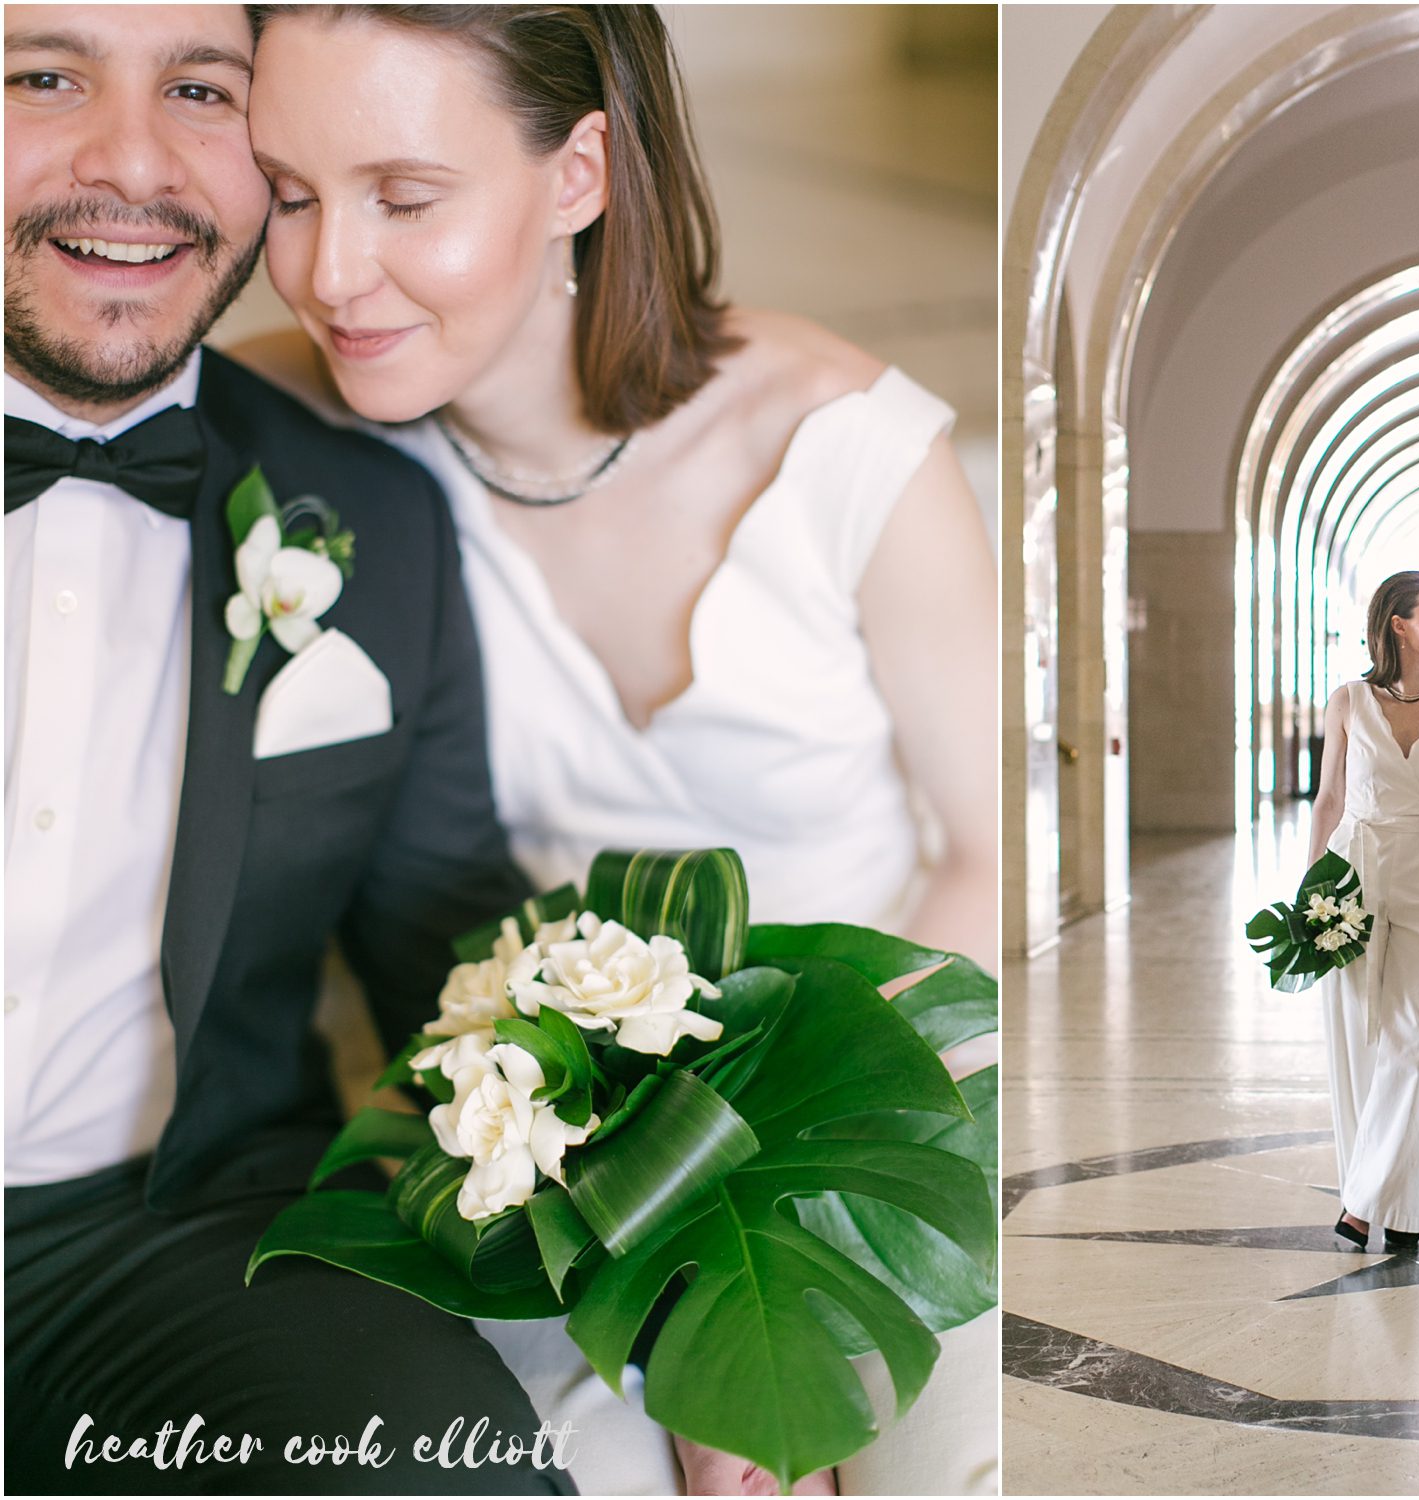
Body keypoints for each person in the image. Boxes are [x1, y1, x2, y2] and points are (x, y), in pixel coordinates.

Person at [231, 6, 999, 1493]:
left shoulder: (848, 454)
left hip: (883, 1087)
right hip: (525, 1137)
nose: (329, 272)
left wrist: (759, 1236)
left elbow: (981, 859)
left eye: (405, 197)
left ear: (579, 172)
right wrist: (635, 1239)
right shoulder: (303, 437)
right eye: (291, 194)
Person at [2, 5, 561, 1491]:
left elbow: (450, 937)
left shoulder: (370, 517)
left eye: (201, 91)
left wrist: (683, 1274)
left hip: (173, 1237)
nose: (134, 165)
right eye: (43, 77)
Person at [1307, 572, 1419, 1253]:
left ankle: (1362, 1199)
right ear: (1399, 626)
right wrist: (1309, 896)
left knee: (1414, 1039)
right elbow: (1328, 799)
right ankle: (1400, 1209)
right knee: (1360, 1041)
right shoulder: (1348, 700)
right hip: (1351, 877)